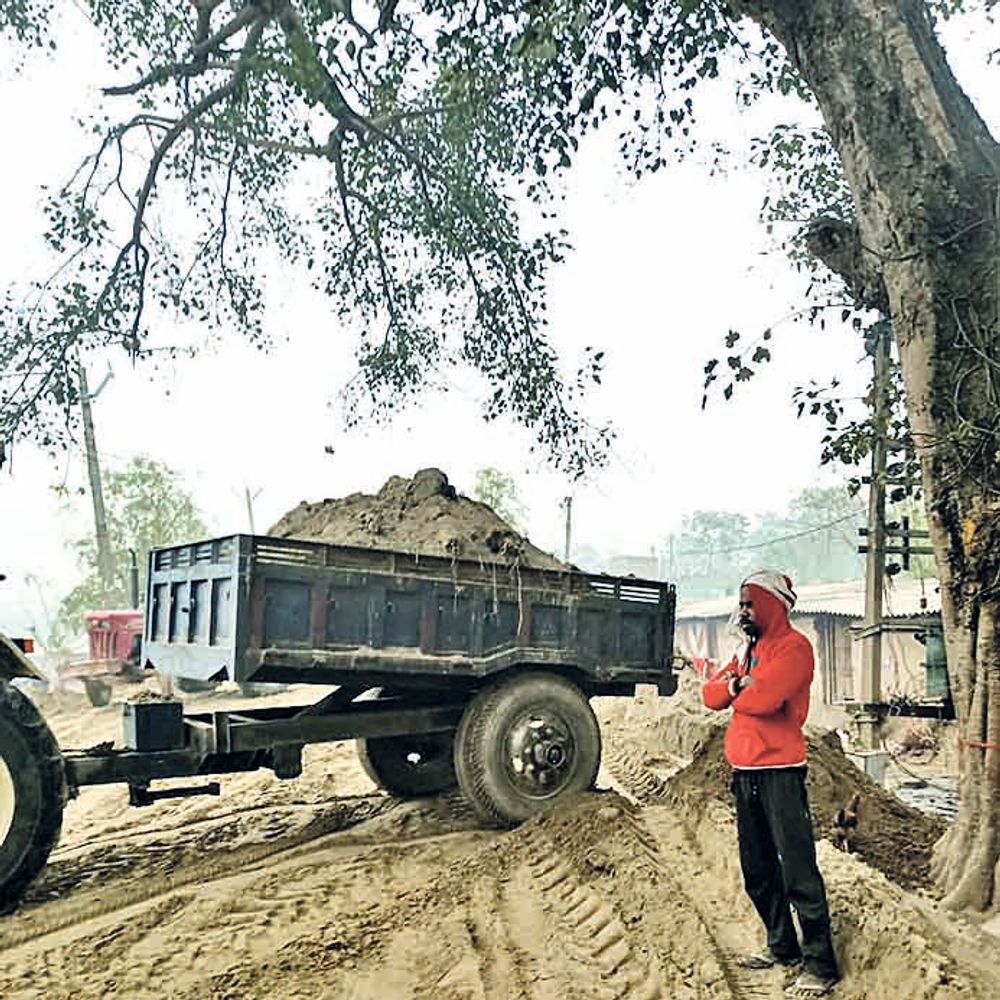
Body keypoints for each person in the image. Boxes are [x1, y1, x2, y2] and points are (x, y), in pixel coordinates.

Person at [702, 570, 840, 997]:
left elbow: (763, 701)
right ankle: (783, 948)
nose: (743, 611)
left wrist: (737, 689)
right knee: (757, 871)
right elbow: (709, 696)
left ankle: (820, 964)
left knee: (798, 871)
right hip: (744, 776)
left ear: (771, 605)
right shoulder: (748, 651)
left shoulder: (795, 649)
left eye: (749, 603)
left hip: (781, 774)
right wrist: (736, 683)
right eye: (741, 604)